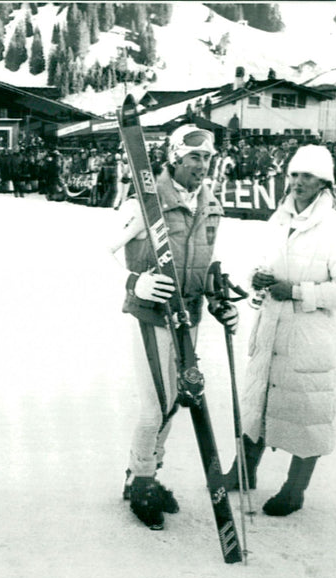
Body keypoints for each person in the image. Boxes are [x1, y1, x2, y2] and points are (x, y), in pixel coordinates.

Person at [108, 124, 238, 530]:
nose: (202, 166)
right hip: (152, 313)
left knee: (176, 402)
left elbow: (205, 260)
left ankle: (142, 474)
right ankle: (143, 481)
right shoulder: (145, 202)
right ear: (175, 159)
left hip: (189, 316)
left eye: (207, 159)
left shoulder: (210, 203)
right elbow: (107, 250)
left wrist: (218, 296)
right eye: (194, 158)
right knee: (155, 406)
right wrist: (136, 281)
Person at [223, 145, 336, 516]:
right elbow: (262, 262)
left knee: (305, 413)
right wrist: (257, 278)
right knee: (258, 402)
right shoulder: (279, 219)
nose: (298, 182)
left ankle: (294, 489)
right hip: (271, 328)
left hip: (307, 337)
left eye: (308, 176)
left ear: (324, 182)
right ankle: (242, 471)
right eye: (294, 175)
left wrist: (299, 291)